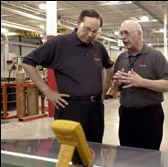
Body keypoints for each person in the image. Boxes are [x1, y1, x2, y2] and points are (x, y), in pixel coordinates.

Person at [21, 9, 114, 145]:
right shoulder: (59, 43)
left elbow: (109, 66)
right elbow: (27, 62)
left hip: (95, 109)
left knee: (94, 148)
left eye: (95, 31)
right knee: (70, 149)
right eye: (87, 29)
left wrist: (105, 88)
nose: (90, 34)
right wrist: (47, 91)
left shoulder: (99, 48)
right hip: (70, 108)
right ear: (78, 23)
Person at [112, 20, 168, 150]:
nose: (123, 37)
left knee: (149, 156)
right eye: (121, 33)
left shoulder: (155, 56)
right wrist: (117, 84)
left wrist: (142, 82)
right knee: (125, 153)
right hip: (126, 115)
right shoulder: (121, 58)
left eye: (127, 33)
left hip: (149, 116)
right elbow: (115, 90)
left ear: (139, 34)